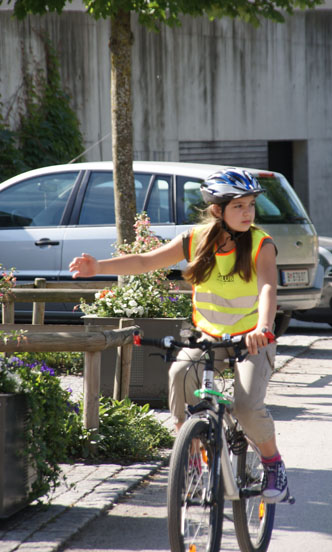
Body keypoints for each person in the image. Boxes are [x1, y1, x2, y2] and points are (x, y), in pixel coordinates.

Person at [69, 167, 289, 503]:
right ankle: (191, 447)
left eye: (250, 206)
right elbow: (145, 262)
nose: (247, 213)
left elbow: (268, 287)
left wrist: (262, 328)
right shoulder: (195, 241)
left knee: (246, 406)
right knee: (178, 372)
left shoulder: (262, 245)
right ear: (218, 210)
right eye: (238, 206)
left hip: (250, 340)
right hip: (208, 337)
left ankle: (273, 463)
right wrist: (98, 267)